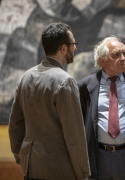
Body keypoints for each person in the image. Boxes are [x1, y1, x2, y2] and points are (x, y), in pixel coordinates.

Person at [8, 22, 90, 180]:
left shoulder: (26, 77)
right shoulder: (66, 81)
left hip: (31, 169)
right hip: (60, 171)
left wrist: (22, 158)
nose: (76, 48)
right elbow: (75, 136)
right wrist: (83, 174)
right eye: (73, 44)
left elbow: (15, 126)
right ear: (63, 48)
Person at [78, 36, 125, 180]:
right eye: (116, 55)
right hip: (99, 156)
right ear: (102, 60)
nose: (123, 58)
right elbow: (81, 123)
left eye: (124, 53)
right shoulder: (85, 86)